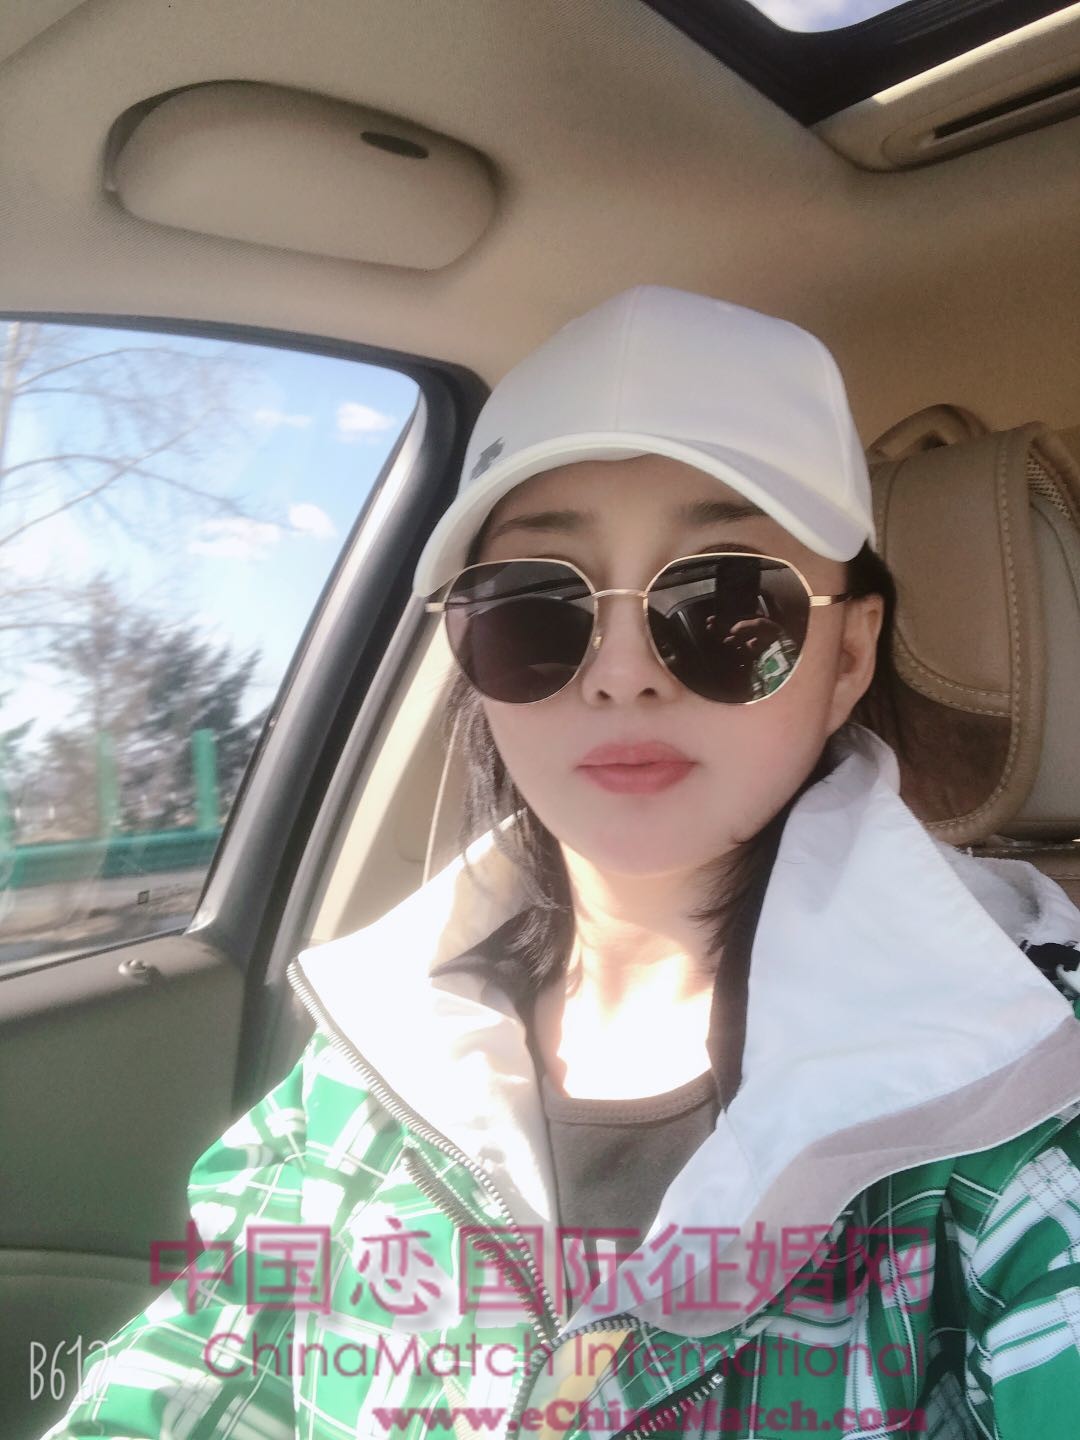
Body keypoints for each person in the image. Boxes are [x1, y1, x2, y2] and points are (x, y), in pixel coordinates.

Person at [38, 286, 1080, 1440]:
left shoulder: (1030, 1083)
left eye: (729, 600)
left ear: (847, 655)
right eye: (536, 606)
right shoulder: (364, 1057)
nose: (622, 672)